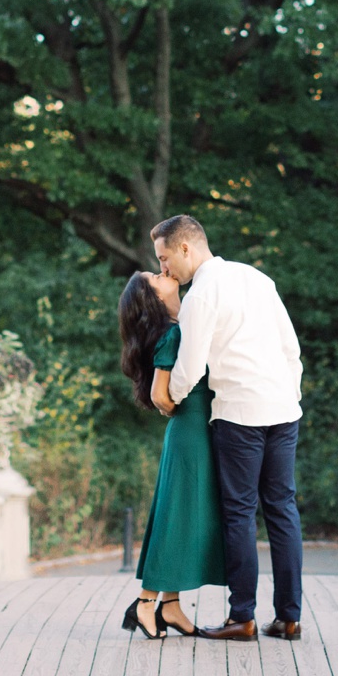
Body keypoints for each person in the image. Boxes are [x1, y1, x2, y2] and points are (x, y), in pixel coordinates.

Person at [151, 215, 303, 642]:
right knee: (282, 509)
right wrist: (290, 393)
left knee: (239, 514)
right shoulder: (257, 278)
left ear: (185, 248)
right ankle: (290, 617)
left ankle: (243, 617)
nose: (165, 270)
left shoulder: (202, 293)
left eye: (165, 258)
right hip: (283, 408)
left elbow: (191, 366)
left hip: (239, 413)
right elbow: (291, 347)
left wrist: (170, 401)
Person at [115, 269, 227, 637]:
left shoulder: (183, 323)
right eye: (154, 275)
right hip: (190, 434)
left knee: (183, 514)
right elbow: (159, 395)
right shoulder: (173, 333)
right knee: (177, 517)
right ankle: (146, 604)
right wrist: (168, 405)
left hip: (195, 431)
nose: (162, 271)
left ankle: (171, 606)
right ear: (154, 297)